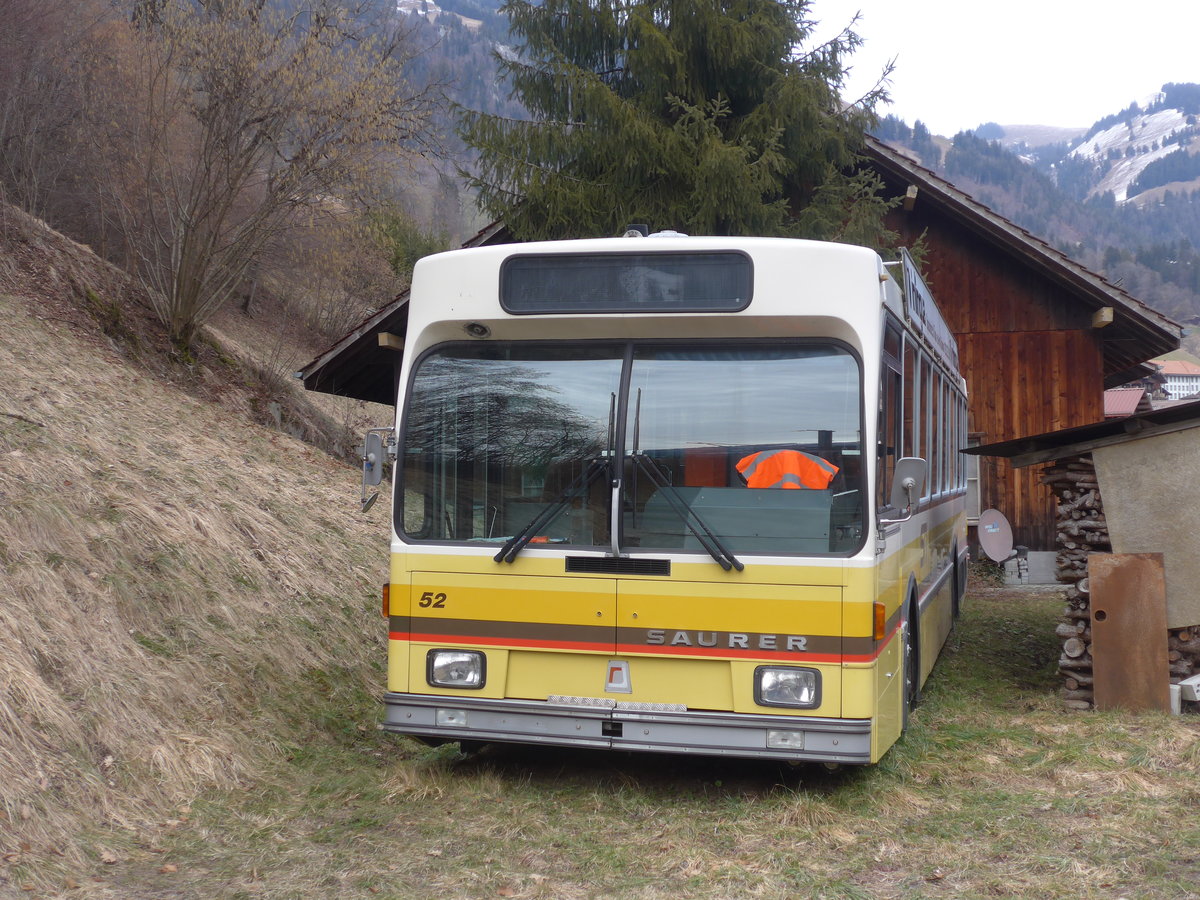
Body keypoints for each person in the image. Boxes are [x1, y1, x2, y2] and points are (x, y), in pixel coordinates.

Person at [736, 448, 838, 490]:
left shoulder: (754, 460)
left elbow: (740, 470)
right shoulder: (822, 465)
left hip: (760, 513)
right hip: (809, 516)